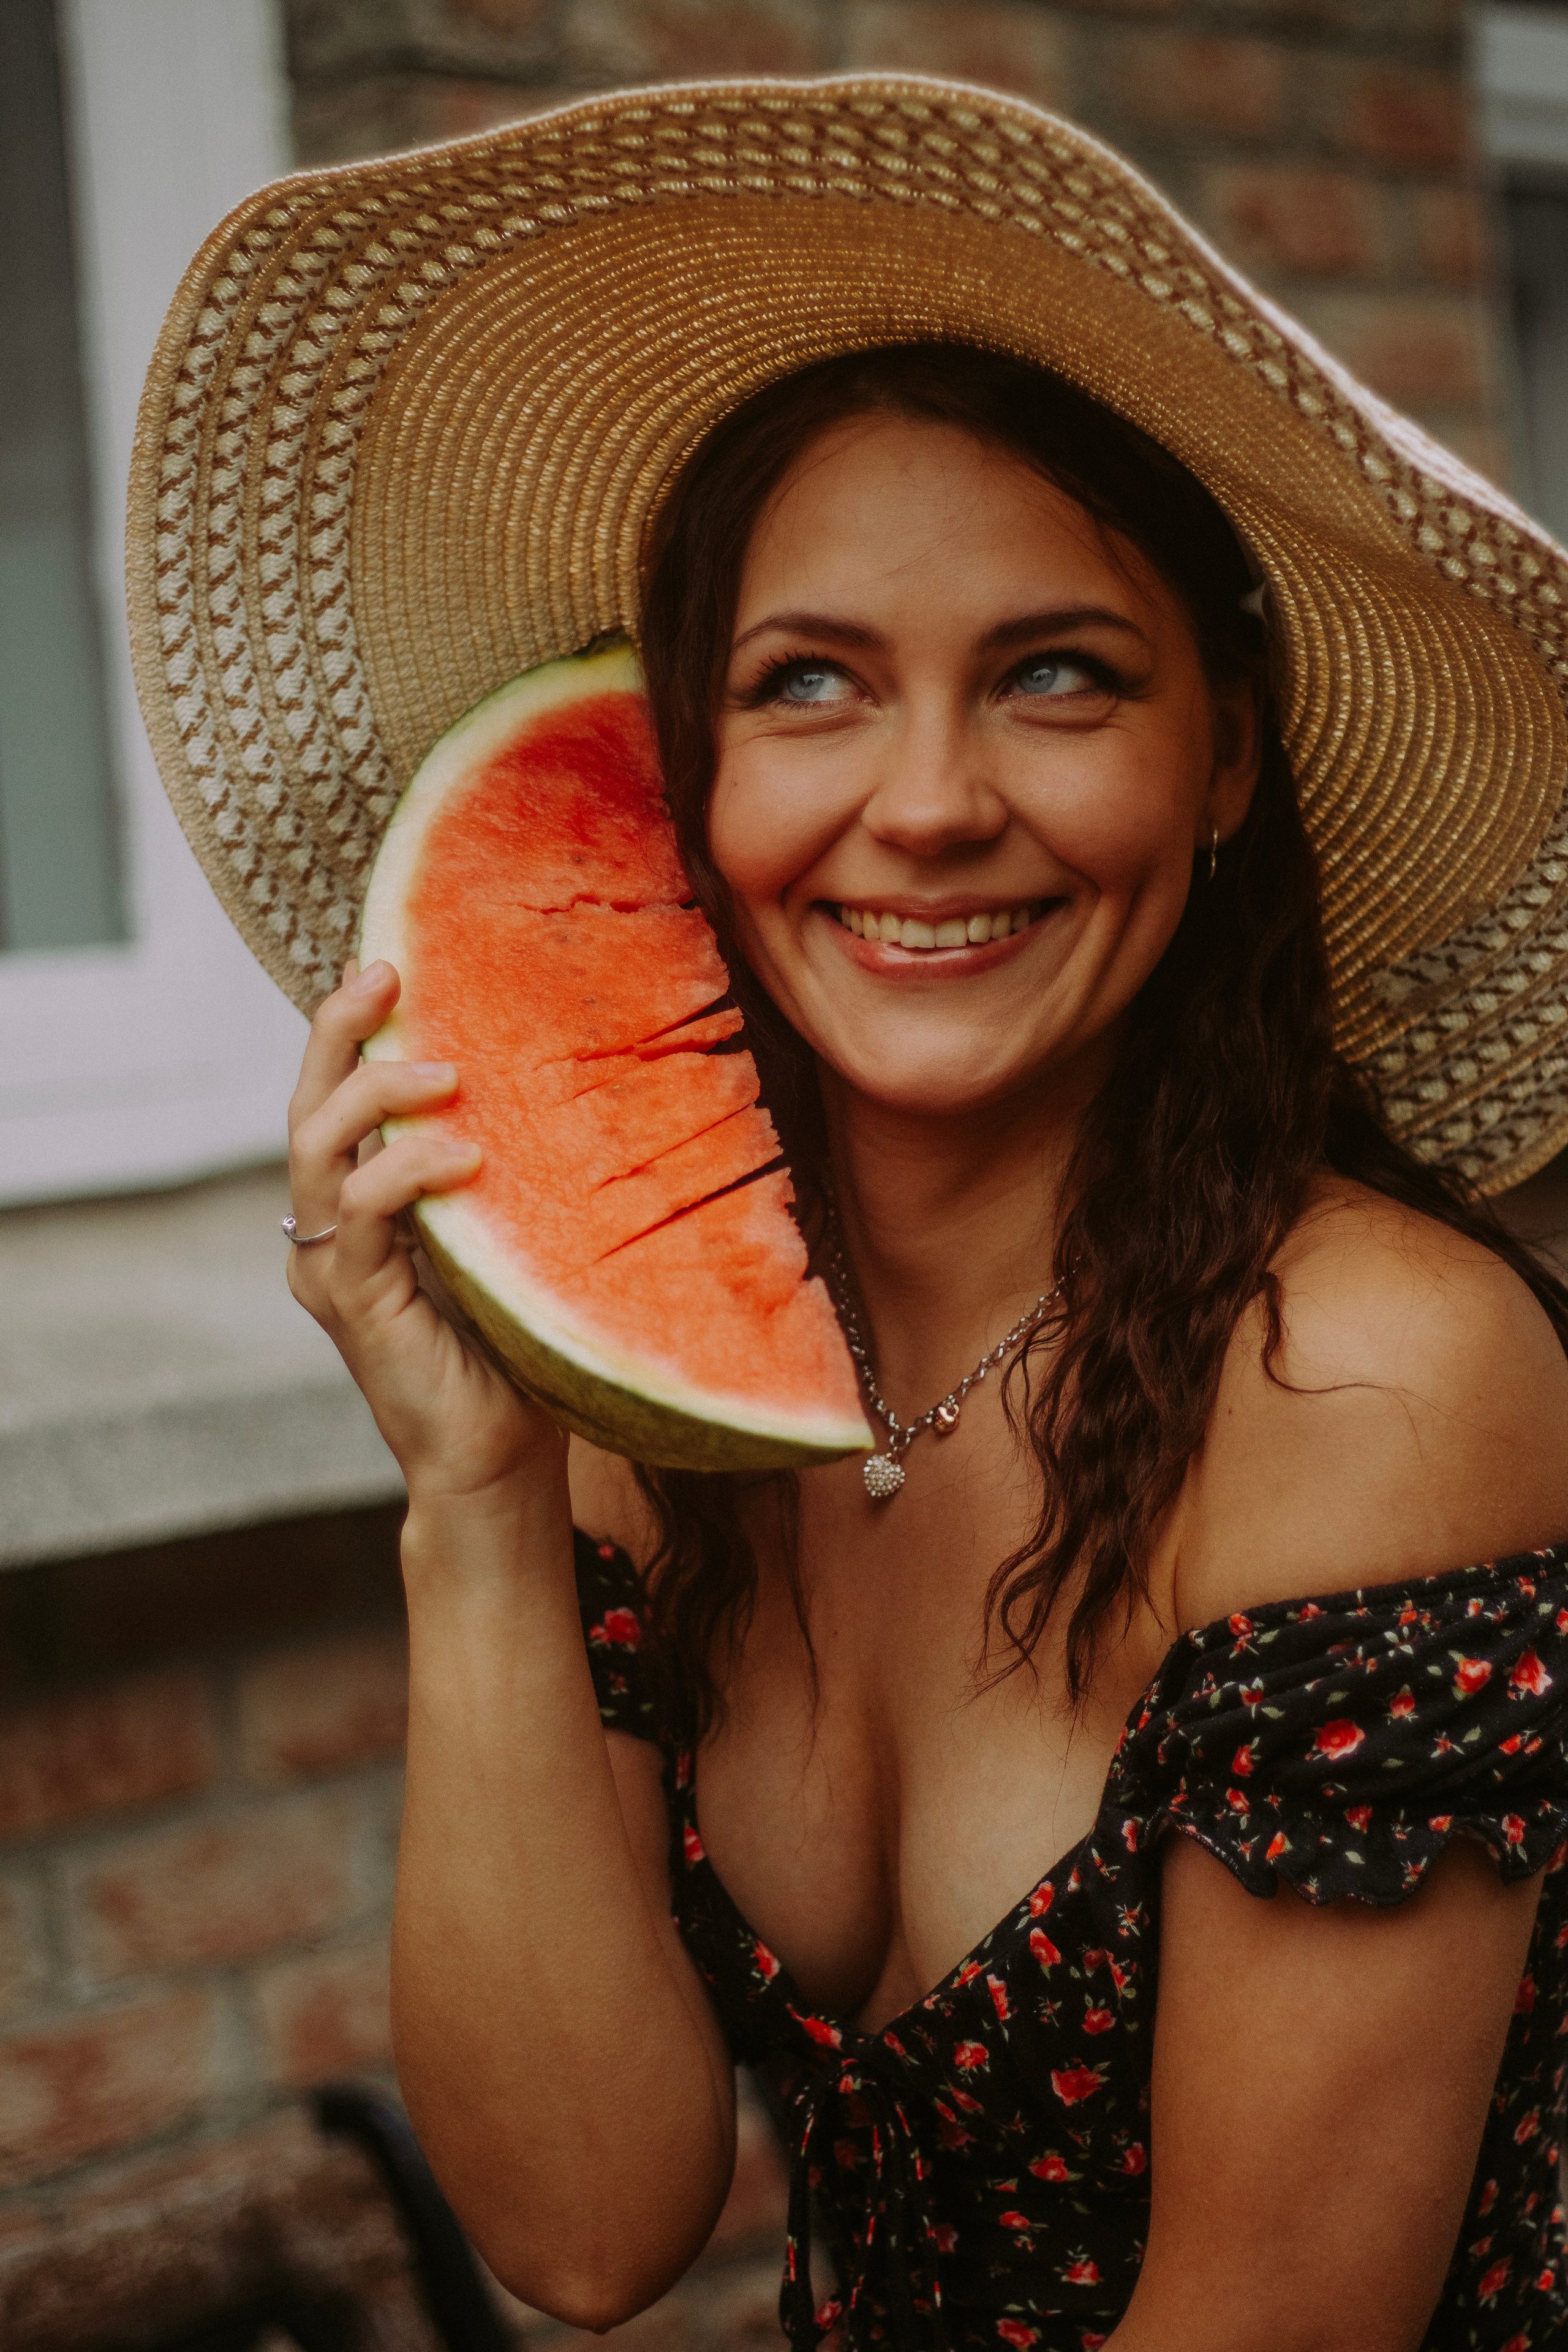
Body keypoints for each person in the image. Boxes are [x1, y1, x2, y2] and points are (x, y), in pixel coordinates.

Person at [129, 77, 1568, 2352]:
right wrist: (476, 1500)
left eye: (1058, 676)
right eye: (807, 685)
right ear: (675, 776)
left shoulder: (1366, 1375)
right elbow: (587, 2229)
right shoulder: (638, 1386)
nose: (926, 805)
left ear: (1224, 759)